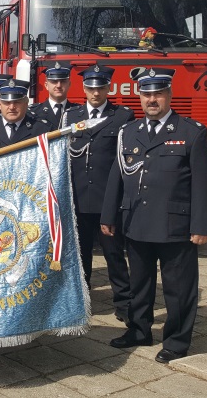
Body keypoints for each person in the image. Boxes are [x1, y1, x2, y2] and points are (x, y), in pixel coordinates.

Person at [101, 67, 207, 364]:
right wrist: (108, 215)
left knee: (178, 288)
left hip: (175, 224)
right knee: (139, 284)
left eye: (158, 93)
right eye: (146, 94)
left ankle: (176, 341)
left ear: (169, 95)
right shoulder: (129, 132)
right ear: (139, 96)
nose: (152, 99)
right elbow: (117, 176)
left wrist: (202, 225)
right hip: (136, 221)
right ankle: (139, 330)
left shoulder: (192, 131)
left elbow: (203, 184)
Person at [63, 65, 134, 323]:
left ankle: (124, 304)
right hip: (79, 199)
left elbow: (124, 160)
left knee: (114, 255)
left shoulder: (122, 116)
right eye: (91, 88)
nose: (96, 93)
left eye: (101, 88)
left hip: (108, 200)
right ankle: (82, 303)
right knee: (80, 257)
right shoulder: (71, 116)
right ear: (84, 89)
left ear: (108, 88)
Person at [0, 79, 50, 151]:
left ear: (26, 104)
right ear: (0, 105)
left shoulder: (41, 129)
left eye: (17, 102)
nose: (11, 107)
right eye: (7, 103)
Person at [29, 63, 79, 131]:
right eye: (54, 81)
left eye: (63, 81)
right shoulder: (33, 113)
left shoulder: (79, 112)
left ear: (69, 84)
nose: (58, 85)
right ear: (46, 85)